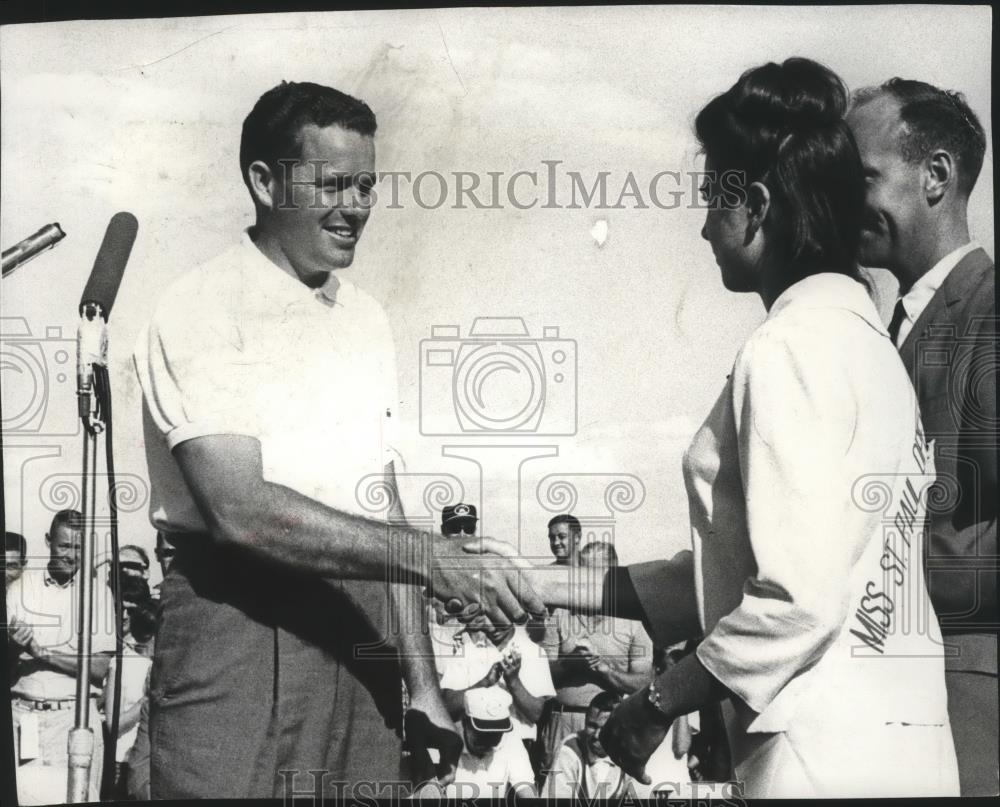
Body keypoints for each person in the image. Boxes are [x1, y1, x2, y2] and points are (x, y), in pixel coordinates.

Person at [469, 58, 960, 797]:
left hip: (819, 762)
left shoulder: (789, 347)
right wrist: (532, 578)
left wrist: (654, 703)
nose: (702, 226)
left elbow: (794, 599)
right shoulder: (865, 341)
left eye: (710, 200)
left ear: (756, 206)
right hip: (900, 748)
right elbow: (710, 576)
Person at [131, 80, 541, 798]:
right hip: (236, 631)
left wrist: (421, 683)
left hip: (358, 639)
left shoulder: (367, 321)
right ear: (264, 181)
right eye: (332, 184)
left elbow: (383, 507)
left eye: (366, 185)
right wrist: (431, 559)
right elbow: (240, 508)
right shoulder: (199, 305)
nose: (355, 206)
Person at [846, 79, 997, 797]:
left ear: (936, 175)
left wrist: (868, 575)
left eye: (861, 176)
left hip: (964, 701)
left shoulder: (989, 311)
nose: (842, 199)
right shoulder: (882, 331)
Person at [6, 509, 115, 804]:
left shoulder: (99, 595)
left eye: (78, 547)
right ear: (48, 542)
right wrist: (14, 648)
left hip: (75, 722)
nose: (71, 555)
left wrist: (43, 655)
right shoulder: (19, 590)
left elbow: (99, 668)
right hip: (25, 719)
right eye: (64, 546)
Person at [538, 541, 653, 777]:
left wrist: (604, 670)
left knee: (608, 791)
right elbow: (541, 676)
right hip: (562, 720)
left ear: (615, 575)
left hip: (611, 726)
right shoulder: (560, 612)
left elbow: (644, 684)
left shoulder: (634, 619)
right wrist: (570, 663)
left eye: (598, 574)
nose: (589, 580)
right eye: (583, 572)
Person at [416, 688, 536, 800]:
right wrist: (441, 782)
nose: (489, 741)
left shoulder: (511, 739)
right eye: (482, 734)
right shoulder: (441, 743)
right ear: (465, 721)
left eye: (496, 735)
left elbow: (526, 789)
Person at [102, 595, 157, 799]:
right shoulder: (122, 662)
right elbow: (114, 725)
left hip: (154, 761)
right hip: (124, 762)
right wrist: (147, 699)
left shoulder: (163, 663)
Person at [543, 691, 634, 799]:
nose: (596, 735)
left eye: (605, 729)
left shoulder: (629, 752)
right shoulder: (570, 751)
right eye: (592, 726)